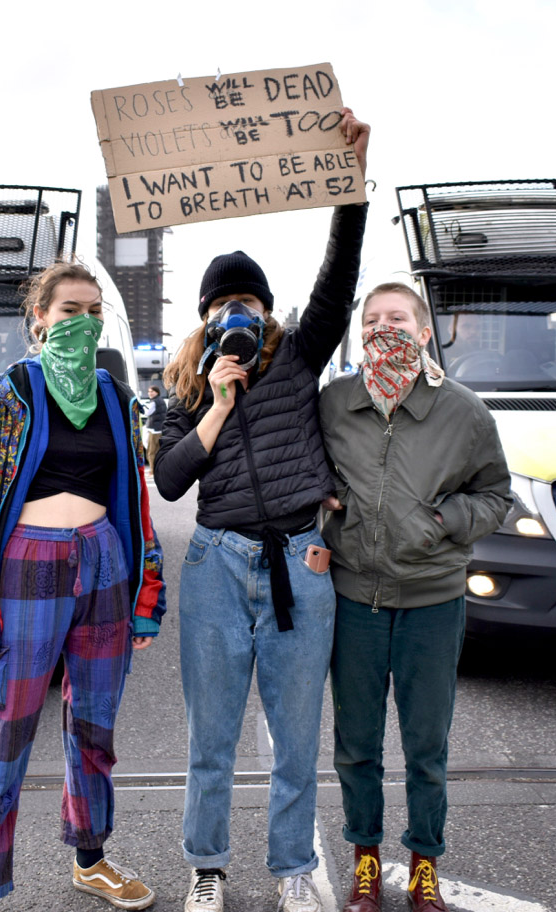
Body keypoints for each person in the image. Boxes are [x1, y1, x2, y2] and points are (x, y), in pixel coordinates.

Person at [153, 107, 370, 912]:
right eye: (224, 304)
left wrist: (350, 184)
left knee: (294, 742)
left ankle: (290, 872)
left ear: (267, 310)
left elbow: (339, 277)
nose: (237, 314)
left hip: (298, 563)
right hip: (217, 564)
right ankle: (207, 870)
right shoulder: (182, 384)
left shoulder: (298, 356)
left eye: (249, 302)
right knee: (209, 741)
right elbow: (171, 481)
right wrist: (215, 399)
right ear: (205, 314)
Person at [0, 261, 167, 912]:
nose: (84, 323)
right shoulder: (5, 395)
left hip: (105, 565)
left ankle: (91, 861)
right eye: (70, 311)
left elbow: (134, 500)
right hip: (27, 568)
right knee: (4, 734)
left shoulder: (115, 398)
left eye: (94, 312)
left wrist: (147, 594)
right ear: (38, 318)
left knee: (94, 729)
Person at [318, 283, 511, 912]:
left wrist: (444, 521)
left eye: (397, 318)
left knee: (427, 745)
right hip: (355, 600)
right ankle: (366, 862)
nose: (383, 328)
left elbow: (496, 497)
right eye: (371, 320)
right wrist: (325, 512)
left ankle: (425, 863)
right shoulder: (334, 403)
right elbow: (309, 472)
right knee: (356, 746)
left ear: (424, 333)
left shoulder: (463, 412)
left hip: (432, 600)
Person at [144, 385, 167, 466]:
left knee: (151, 452)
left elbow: (147, 413)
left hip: (154, 430)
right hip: (160, 429)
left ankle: (153, 470)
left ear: (156, 392)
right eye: (149, 391)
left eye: (152, 391)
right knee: (158, 450)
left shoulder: (154, 402)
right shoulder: (161, 400)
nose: (150, 393)